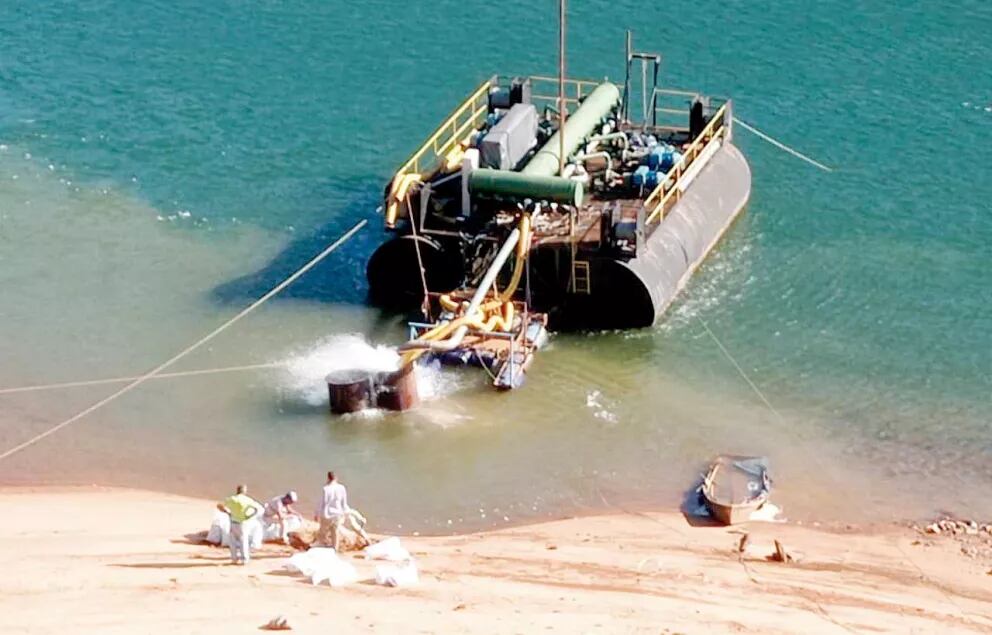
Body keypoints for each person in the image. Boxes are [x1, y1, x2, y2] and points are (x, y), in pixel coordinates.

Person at [313, 471, 369, 550]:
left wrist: (316, 514)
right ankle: (334, 548)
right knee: (335, 533)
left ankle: (321, 546)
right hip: (337, 514)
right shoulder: (342, 488)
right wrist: (346, 512)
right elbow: (343, 503)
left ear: (328, 478)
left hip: (327, 515)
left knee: (322, 533)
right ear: (336, 478)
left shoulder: (326, 489)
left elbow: (322, 503)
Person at [217, 484, 264, 565]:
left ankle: (234, 559)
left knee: (232, 541)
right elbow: (257, 509)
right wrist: (249, 516)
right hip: (243, 522)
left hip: (233, 521)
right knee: (243, 541)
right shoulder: (248, 500)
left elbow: (219, 505)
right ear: (244, 491)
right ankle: (244, 559)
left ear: (237, 490)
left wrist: (227, 512)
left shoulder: (232, 499)